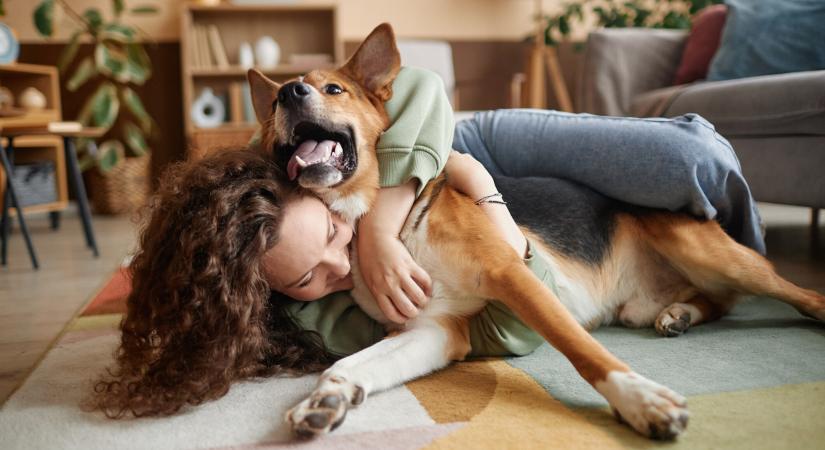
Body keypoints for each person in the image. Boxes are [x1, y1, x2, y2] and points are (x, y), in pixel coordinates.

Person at [93, 68, 765, 418]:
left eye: (332, 234)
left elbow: (416, 88)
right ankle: (707, 294)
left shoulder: (267, 154)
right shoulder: (272, 274)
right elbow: (466, 331)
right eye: (306, 277)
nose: (340, 257)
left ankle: (734, 268)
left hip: (453, 137)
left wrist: (381, 226)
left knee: (694, 162)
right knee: (687, 182)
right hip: (504, 229)